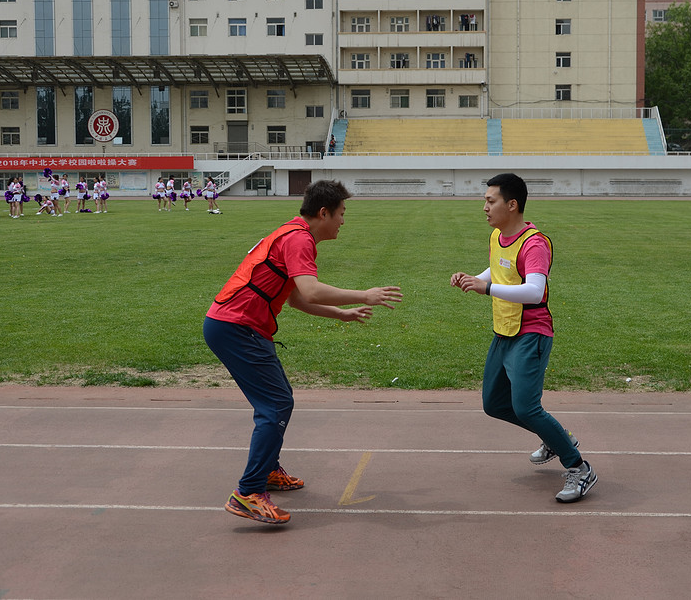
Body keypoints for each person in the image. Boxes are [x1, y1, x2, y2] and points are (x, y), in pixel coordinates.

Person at [203, 179, 402, 525]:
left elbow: (295, 297)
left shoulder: (292, 233)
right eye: (341, 214)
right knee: (276, 404)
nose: (343, 221)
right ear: (323, 213)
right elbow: (309, 290)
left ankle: (266, 471)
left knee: (279, 400)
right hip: (236, 327)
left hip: (239, 326)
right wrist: (363, 295)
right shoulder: (298, 238)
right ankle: (248, 493)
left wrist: (341, 314)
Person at [449, 172, 597, 504]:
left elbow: (534, 290)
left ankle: (579, 468)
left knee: (526, 407)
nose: (484, 207)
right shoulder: (498, 237)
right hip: (505, 331)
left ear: (512, 205)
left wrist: (485, 288)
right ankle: (557, 437)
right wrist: (475, 278)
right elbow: (499, 269)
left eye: (490, 201)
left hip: (531, 332)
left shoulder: (535, 243)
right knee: (495, 404)